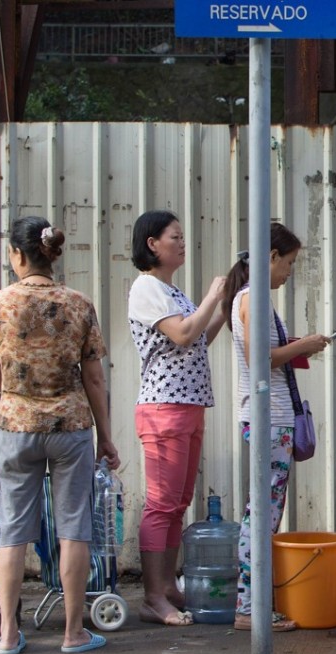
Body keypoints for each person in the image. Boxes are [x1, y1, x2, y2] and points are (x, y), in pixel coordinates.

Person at [0, 216, 120, 654]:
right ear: (51, 253)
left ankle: (7, 634)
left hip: (16, 429)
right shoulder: (78, 304)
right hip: (70, 428)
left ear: (18, 255)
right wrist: (106, 438)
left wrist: (20, 395)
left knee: (13, 531)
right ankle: (73, 633)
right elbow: (94, 378)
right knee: (74, 528)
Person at [222, 224, 330, 631]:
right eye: (289, 263)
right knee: (262, 517)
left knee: (264, 513)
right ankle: (250, 608)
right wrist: (303, 346)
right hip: (270, 419)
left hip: (271, 418)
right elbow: (260, 359)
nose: (289, 272)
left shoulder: (252, 299)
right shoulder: (254, 299)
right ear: (270, 257)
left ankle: (253, 604)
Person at [128, 209, 228, 626]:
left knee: (178, 503)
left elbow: (199, 338)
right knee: (162, 504)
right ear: (153, 244)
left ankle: (168, 586)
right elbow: (184, 334)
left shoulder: (172, 292)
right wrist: (211, 295)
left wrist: (223, 302)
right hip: (164, 406)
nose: (182, 243)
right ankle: (154, 595)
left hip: (186, 404)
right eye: (175, 236)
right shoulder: (147, 288)